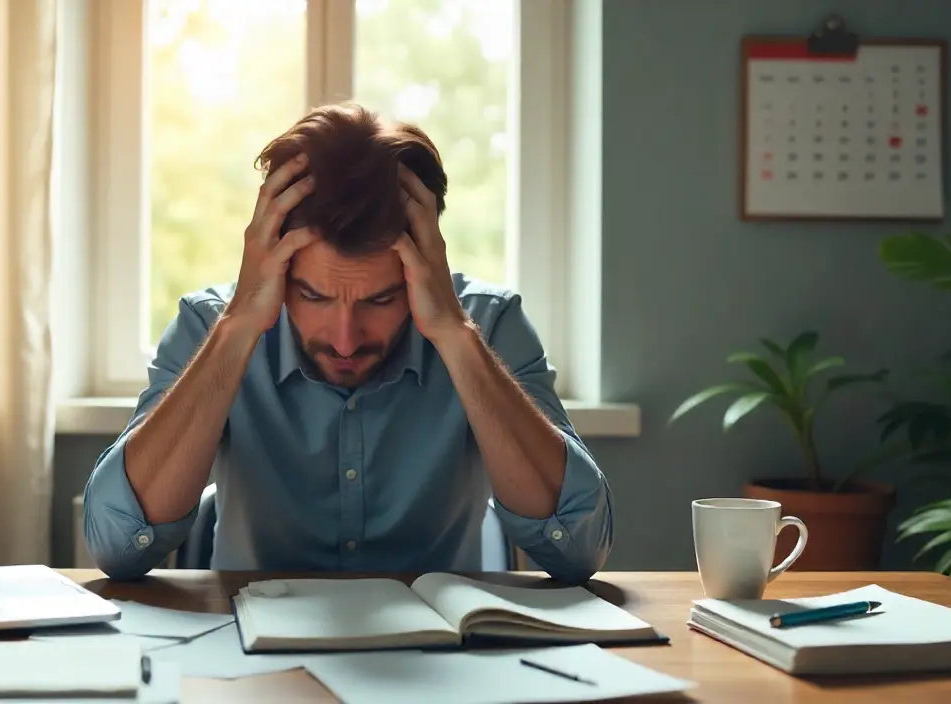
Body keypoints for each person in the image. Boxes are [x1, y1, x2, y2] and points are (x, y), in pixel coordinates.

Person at [83, 103, 612, 583]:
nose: (344, 340)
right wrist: (240, 324)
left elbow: (578, 549)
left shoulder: (488, 327)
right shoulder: (210, 327)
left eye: (379, 300)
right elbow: (118, 548)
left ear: (423, 266)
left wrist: (454, 334)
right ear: (277, 265)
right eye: (313, 295)